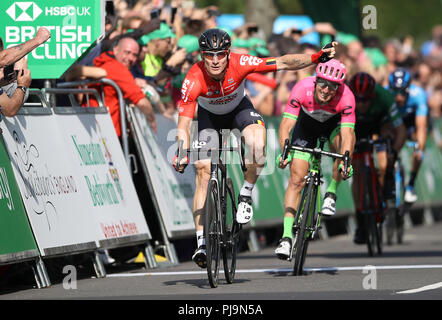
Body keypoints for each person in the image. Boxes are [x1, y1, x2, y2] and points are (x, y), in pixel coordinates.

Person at [172, 28, 337, 268]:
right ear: (202, 56)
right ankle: (201, 243)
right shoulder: (193, 78)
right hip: (210, 118)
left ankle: (246, 195)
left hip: (240, 109)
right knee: (203, 169)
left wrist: (314, 58)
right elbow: (184, 122)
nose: (215, 60)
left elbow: (282, 62)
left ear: (228, 54)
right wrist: (180, 151)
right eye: (209, 55)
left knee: (258, 144)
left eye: (220, 54)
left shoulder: (241, 62)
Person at [274, 58, 355, 260]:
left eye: (333, 86)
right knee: (296, 179)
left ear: (340, 86)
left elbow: (348, 134)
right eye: (323, 83)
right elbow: (286, 125)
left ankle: (331, 192)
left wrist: (346, 160)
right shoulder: (302, 88)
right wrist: (286, 151)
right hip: (306, 127)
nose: (327, 90)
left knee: (341, 148)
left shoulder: (347, 97)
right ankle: (286, 237)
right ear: (316, 80)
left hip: (333, 126)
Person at [348, 72, 407, 244]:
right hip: (355, 128)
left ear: (372, 95)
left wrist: (394, 152)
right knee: (357, 172)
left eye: (365, 100)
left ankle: (384, 191)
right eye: (358, 100)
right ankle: (360, 219)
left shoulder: (385, 97)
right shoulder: (346, 97)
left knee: (383, 162)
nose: (361, 104)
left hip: (379, 125)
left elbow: (401, 130)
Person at [86, 37, 159, 136]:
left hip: (94, 128)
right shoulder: (117, 68)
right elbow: (142, 103)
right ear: (116, 50)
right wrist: (153, 121)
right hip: (107, 134)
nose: (130, 58)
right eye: (127, 52)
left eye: (134, 55)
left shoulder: (106, 64)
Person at [387, 67, 428, 203]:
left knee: (419, 151)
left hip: (411, 123)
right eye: (396, 92)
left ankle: (410, 184)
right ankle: (389, 180)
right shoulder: (386, 94)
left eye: (402, 92)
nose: (399, 96)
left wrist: (419, 148)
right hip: (394, 122)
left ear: (408, 89)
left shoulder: (418, 95)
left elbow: (421, 127)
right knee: (389, 149)